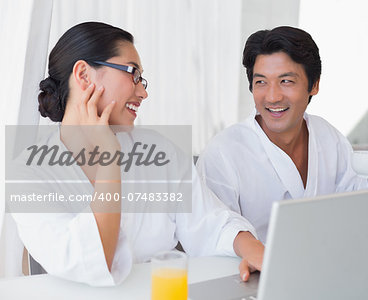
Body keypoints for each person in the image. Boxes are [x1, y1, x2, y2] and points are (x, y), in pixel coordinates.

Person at [10, 22, 263, 286]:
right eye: (132, 73)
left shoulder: (158, 151)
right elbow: (94, 261)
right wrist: (108, 158)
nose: (143, 92)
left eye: (141, 79)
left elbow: (210, 222)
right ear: (84, 75)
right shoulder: (27, 173)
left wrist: (257, 252)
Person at [196, 26, 368, 243]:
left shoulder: (329, 138)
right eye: (261, 82)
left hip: (324, 267)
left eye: (286, 81)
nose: (273, 97)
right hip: (250, 274)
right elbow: (209, 235)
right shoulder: (223, 153)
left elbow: (352, 200)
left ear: (314, 85)